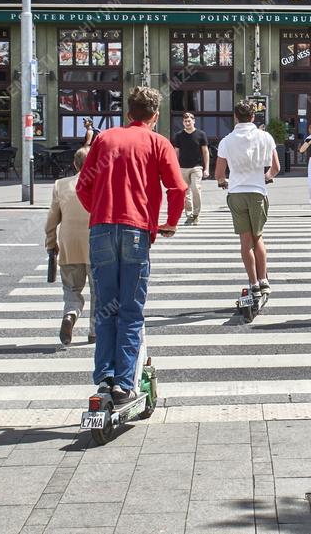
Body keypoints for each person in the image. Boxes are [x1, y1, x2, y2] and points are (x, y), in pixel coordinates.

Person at [76, 87, 186, 405]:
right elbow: (177, 188)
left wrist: (99, 212)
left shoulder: (105, 138)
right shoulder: (158, 143)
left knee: (105, 308)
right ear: (155, 116)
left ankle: (105, 377)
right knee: (130, 310)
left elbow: (84, 185)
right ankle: (125, 382)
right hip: (136, 230)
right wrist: (170, 223)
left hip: (101, 230)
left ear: (128, 113)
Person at [216, 101, 280, 306]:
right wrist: (266, 177)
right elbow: (276, 167)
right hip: (257, 192)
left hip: (236, 193)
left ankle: (252, 283)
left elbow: (219, 174)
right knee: (258, 237)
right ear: (253, 117)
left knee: (245, 241)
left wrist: (223, 182)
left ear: (235, 117)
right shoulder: (265, 137)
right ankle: (264, 280)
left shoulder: (226, 141)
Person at [45, 146, 96, 347]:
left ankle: (71, 313)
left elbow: (51, 220)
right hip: (97, 245)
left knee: (72, 289)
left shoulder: (61, 185)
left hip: (69, 245)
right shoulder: (103, 183)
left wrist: (51, 244)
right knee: (98, 292)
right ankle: (95, 332)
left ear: (74, 164)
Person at [172, 112, 210, 226]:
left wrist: (206, 168)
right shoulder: (179, 135)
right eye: (185, 121)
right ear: (183, 122)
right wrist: (175, 167)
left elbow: (205, 152)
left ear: (194, 121)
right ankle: (189, 216)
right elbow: (176, 152)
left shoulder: (201, 134)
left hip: (196, 167)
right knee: (185, 193)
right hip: (182, 168)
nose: (187, 123)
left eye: (189, 121)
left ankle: (196, 214)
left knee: (196, 189)